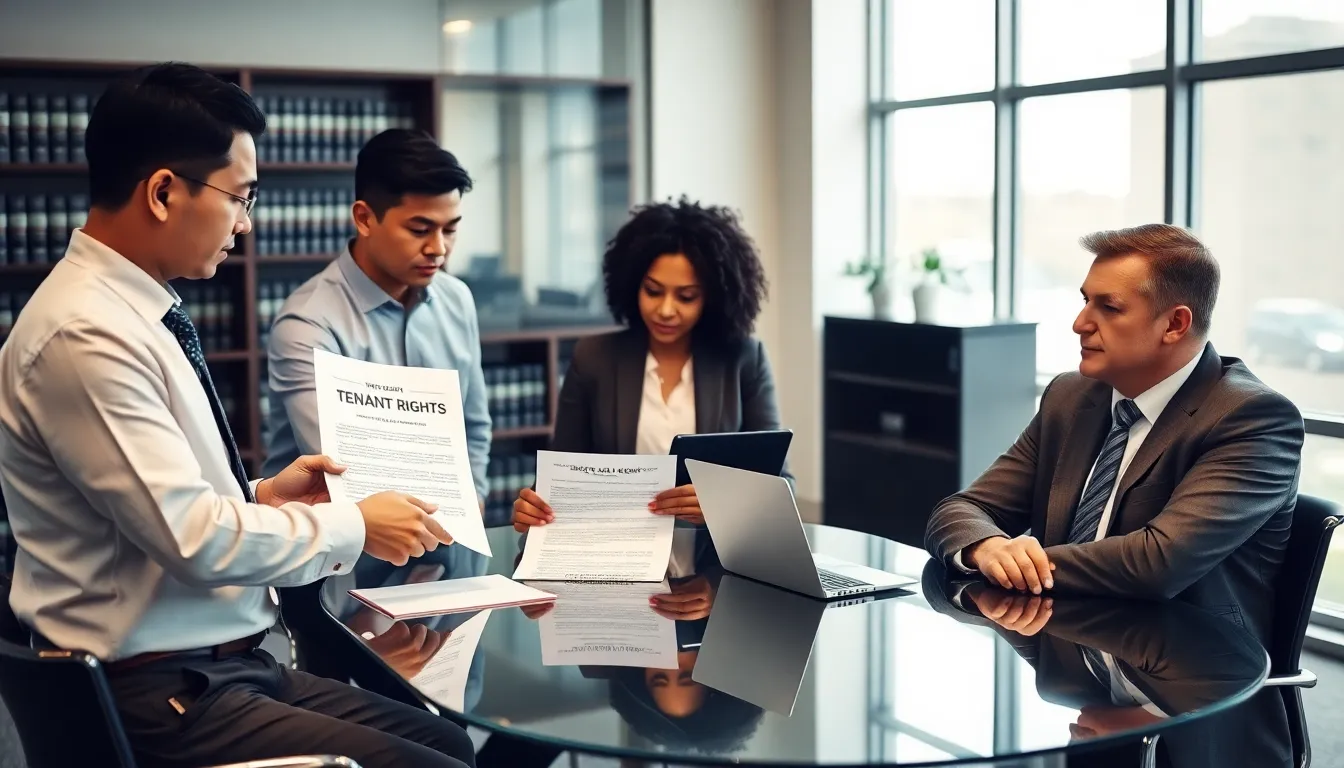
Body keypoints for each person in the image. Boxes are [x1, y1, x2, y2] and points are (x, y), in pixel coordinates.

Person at [0, 63, 475, 768]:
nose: (246, 224)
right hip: (161, 691)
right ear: (164, 192)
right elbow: (191, 536)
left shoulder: (133, 313)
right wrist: (355, 523)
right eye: (239, 198)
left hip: (220, 664)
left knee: (443, 737)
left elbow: (151, 509)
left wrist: (259, 496)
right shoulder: (85, 335)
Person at [924, 223, 1303, 646]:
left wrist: (1014, 566)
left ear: (1175, 324)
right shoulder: (1070, 396)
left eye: (1110, 307)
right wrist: (987, 547)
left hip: (1191, 672)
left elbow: (1158, 563)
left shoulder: (1252, 417)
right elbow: (964, 509)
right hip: (1069, 650)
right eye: (1086, 300)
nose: (1079, 323)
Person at [512, 196, 786, 530]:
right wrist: (534, 509)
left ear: (713, 297)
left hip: (714, 563)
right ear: (632, 284)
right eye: (653, 291)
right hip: (617, 554)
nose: (666, 310)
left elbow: (780, 484)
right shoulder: (595, 357)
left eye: (686, 297)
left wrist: (721, 506)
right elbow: (562, 479)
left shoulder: (745, 360)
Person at [264, 128, 491, 511]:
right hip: (343, 553)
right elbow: (346, 470)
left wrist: (474, 501)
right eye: (420, 230)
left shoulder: (457, 299)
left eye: (450, 229)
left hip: (451, 540)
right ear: (365, 219)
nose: (438, 248)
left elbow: (473, 427)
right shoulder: (307, 324)